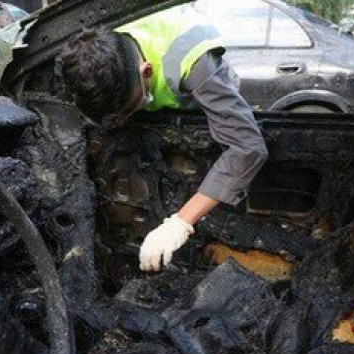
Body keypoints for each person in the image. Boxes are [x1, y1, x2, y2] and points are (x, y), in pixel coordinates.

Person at [58, 7, 268, 272]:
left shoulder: (194, 61)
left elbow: (246, 147)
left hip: (202, 115)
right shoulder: (97, 50)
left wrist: (180, 223)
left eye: (126, 110)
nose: (120, 120)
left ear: (146, 71)